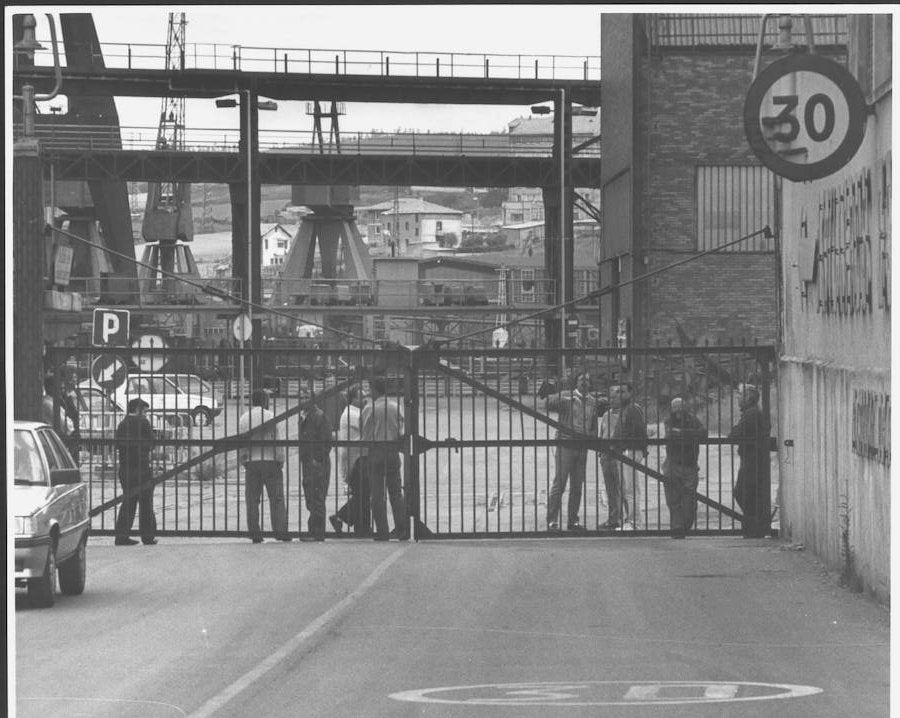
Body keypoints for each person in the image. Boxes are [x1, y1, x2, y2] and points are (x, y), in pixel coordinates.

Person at [544, 370, 601, 532]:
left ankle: (573, 521)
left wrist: (592, 439)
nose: (584, 383)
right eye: (582, 379)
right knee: (559, 484)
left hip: (582, 447)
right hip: (565, 445)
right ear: (576, 382)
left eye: (587, 380)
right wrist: (561, 396)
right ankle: (552, 520)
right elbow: (548, 403)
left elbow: (593, 424)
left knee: (577, 486)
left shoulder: (592, 401)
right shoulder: (568, 397)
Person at [238, 389, 291, 544]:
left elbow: (242, 443)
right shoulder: (270, 416)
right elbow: (277, 440)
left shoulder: (244, 418)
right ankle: (280, 531)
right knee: (277, 499)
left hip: (252, 462)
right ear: (265, 400)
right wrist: (280, 459)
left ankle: (255, 533)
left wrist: (244, 460)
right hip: (270, 460)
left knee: (253, 500)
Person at [360, 377, 408, 541]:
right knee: (396, 492)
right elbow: (402, 430)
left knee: (377, 494)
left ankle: (382, 531)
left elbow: (364, 433)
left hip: (376, 450)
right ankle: (402, 529)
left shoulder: (370, 408)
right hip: (393, 449)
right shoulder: (396, 407)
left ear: (375, 390)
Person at [729, 385, 772, 538]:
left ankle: (754, 526)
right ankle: (754, 525)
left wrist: (735, 431)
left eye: (740, 395)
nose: (738, 399)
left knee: (744, 493)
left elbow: (735, 434)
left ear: (749, 397)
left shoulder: (751, 414)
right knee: (748, 493)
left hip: (753, 460)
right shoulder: (751, 413)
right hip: (753, 458)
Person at [114, 398, 158, 546]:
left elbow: (117, 444)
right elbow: (152, 443)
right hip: (142, 467)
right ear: (138, 410)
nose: (146, 415)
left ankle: (121, 535)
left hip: (126, 468)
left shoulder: (122, 424)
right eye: (145, 411)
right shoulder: (143, 423)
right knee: (146, 503)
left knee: (128, 502)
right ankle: (147, 535)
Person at [662, 397, 708, 539]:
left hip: (689, 464)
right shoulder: (669, 421)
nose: (677, 410)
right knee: (673, 498)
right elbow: (670, 434)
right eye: (674, 407)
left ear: (685, 407)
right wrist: (689, 435)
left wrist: (681, 433)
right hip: (673, 463)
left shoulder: (692, 420)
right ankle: (677, 528)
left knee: (689, 499)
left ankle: (685, 526)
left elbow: (703, 434)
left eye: (680, 406)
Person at [330, 385, 371, 536]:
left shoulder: (355, 412)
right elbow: (368, 428)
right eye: (362, 397)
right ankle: (341, 517)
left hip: (358, 457)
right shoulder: (352, 415)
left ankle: (361, 526)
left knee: (363, 493)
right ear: (353, 399)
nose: (365, 399)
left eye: (366, 396)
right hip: (355, 460)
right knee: (363, 493)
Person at [298, 386, 333, 541]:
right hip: (307, 462)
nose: (303, 400)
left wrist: (317, 459)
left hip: (317, 462)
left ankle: (317, 532)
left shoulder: (319, 416)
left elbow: (327, 441)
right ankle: (313, 529)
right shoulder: (303, 416)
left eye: (306, 397)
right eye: (300, 397)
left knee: (317, 497)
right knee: (311, 496)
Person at [612, 382, 648, 530]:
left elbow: (638, 431)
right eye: (618, 392)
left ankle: (634, 522)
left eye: (623, 392)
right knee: (629, 489)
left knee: (631, 490)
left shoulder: (632, 409)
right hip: (627, 450)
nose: (619, 395)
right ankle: (633, 520)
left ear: (631, 393)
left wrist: (626, 446)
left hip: (630, 450)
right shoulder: (626, 408)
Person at [597, 385, 623, 530]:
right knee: (610, 488)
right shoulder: (606, 414)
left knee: (622, 487)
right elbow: (602, 432)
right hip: (605, 454)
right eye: (611, 397)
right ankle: (613, 518)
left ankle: (627, 518)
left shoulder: (625, 414)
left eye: (615, 397)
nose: (612, 400)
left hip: (618, 454)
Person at [42, 374, 80, 462]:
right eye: (60, 388)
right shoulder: (49, 404)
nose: (62, 392)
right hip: (55, 445)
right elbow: (68, 427)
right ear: (51, 388)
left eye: (63, 389)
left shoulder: (55, 403)